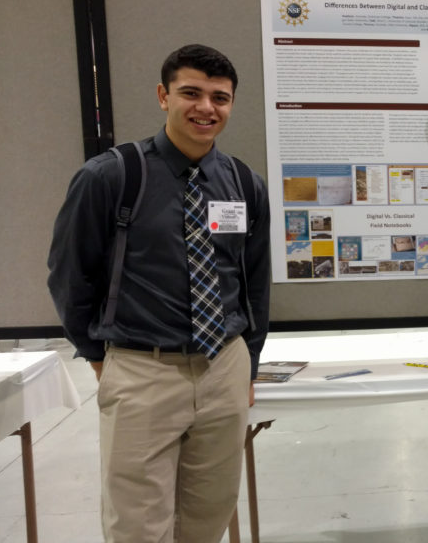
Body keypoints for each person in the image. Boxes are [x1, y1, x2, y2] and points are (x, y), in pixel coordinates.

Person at [47, 44, 271, 543]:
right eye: (190, 93)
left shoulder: (243, 184)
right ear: (162, 96)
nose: (206, 108)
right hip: (143, 370)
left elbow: (254, 280)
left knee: (208, 516)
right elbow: (69, 275)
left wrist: (248, 363)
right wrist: (97, 357)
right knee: (137, 525)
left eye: (220, 97)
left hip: (223, 367)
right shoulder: (111, 176)